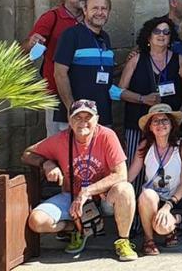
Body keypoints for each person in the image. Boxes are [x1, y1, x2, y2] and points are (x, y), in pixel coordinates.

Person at [22, 100, 137, 261]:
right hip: (72, 197)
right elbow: (27, 154)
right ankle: (77, 229)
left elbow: (121, 174)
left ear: (97, 119)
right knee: (37, 221)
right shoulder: (61, 139)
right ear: (69, 120)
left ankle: (123, 241)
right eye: (77, 117)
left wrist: (87, 191)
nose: (83, 122)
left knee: (125, 189)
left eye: (87, 117)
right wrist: (46, 163)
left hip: (104, 197)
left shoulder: (107, 136)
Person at [24, 0, 93, 134]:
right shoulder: (51, 17)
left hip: (84, 92)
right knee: (58, 142)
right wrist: (32, 42)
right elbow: (25, 49)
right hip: (56, 92)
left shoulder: (90, 19)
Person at [115, 16, 182, 162]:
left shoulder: (180, 60)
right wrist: (142, 99)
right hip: (138, 125)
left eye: (166, 32)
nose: (161, 35)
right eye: (157, 31)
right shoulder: (136, 59)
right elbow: (117, 91)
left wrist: (179, 116)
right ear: (148, 36)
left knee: (165, 167)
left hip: (168, 127)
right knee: (136, 166)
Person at [127, 104, 182, 255]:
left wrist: (167, 206)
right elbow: (130, 176)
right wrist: (116, 189)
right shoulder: (145, 146)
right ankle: (149, 240)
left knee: (162, 227)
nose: (160, 124)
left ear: (172, 124)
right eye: (155, 121)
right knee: (147, 195)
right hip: (151, 200)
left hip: (175, 200)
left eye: (165, 120)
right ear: (150, 127)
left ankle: (170, 230)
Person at [52, 0, 117, 127]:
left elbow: (103, 71)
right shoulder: (71, 35)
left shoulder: (105, 37)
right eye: (95, 8)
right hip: (76, 118)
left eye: (104, 8)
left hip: (101, 115)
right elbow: (59, 73)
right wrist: (72, 108)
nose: (100, 12)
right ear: (85, 10)